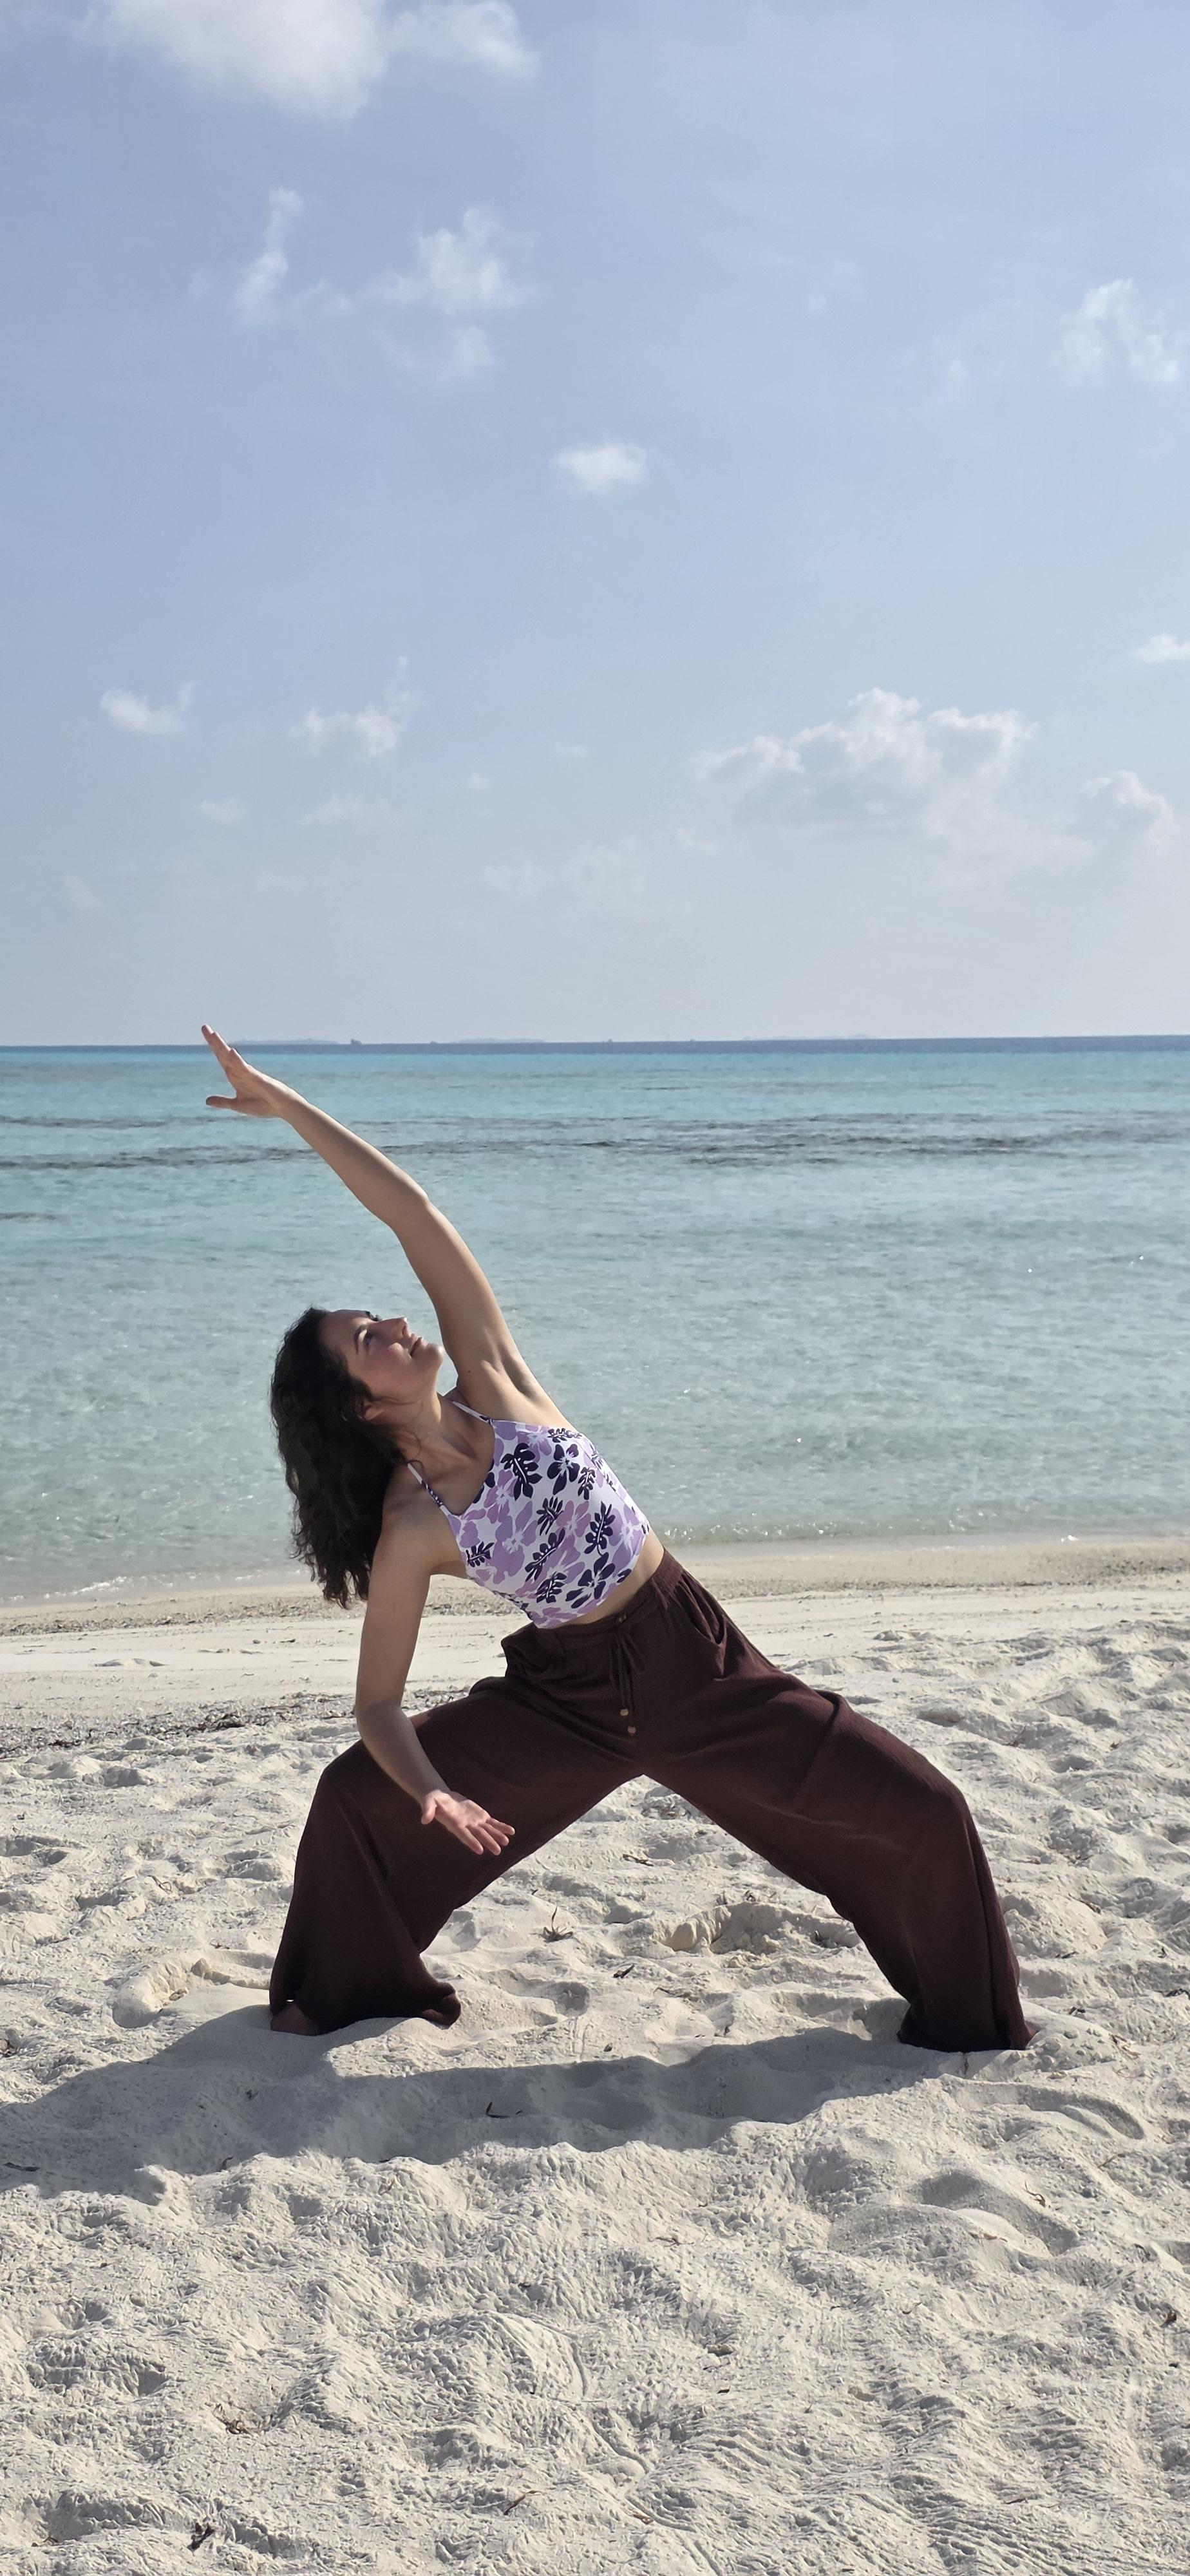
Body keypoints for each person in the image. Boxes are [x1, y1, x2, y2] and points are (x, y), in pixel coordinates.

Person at [201, 1025, 1032, 2054]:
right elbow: (377, 1704)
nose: (395, 1326)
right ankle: (344, 1995)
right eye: (367, 1343)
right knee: (352, 1798)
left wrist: (288, 1109)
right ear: (361, 1409)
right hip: (567, 1704)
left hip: (702, 1666)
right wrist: (434, 1793)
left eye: (377, 1315)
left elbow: (410, 1213)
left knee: (925, 1810)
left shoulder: (496, 1382)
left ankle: (967, 2025)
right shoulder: (412, 1528)